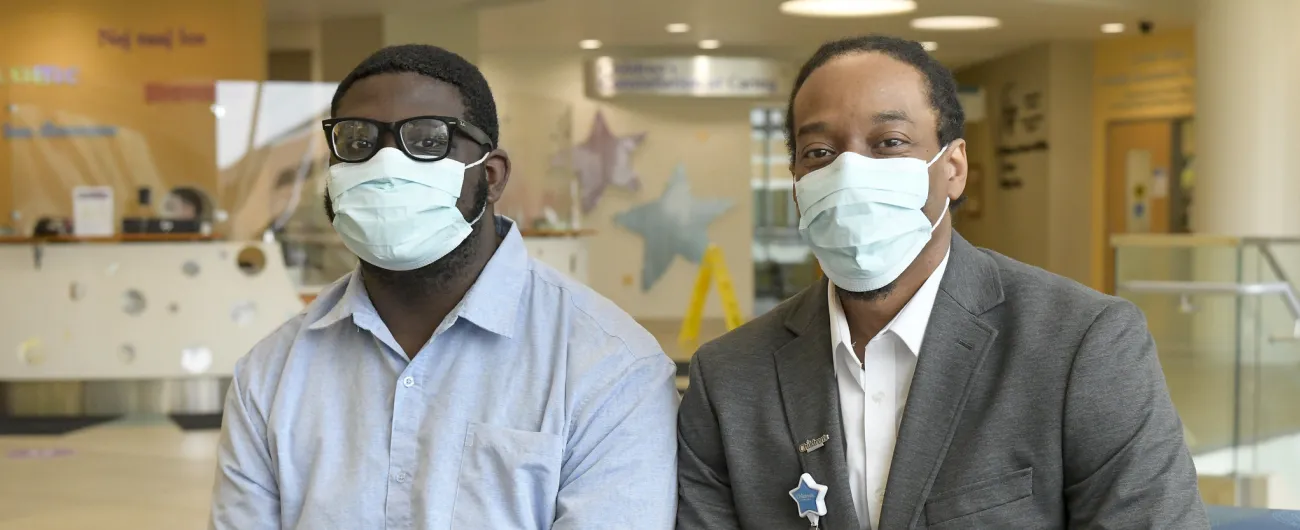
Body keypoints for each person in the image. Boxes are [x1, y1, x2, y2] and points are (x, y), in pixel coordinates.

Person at [676, 35, 1208, 530]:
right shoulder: (729, 379)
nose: (850, 174)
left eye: (889, 142)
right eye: (819, 153)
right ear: (796, 184)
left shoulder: (1081, 346)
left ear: (953, 167)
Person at [210, 44, 678, 529]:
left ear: (491, 176)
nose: (386, 165)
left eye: (428, 140)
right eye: (357, 141)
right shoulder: (270, 374)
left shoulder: (609, 368)